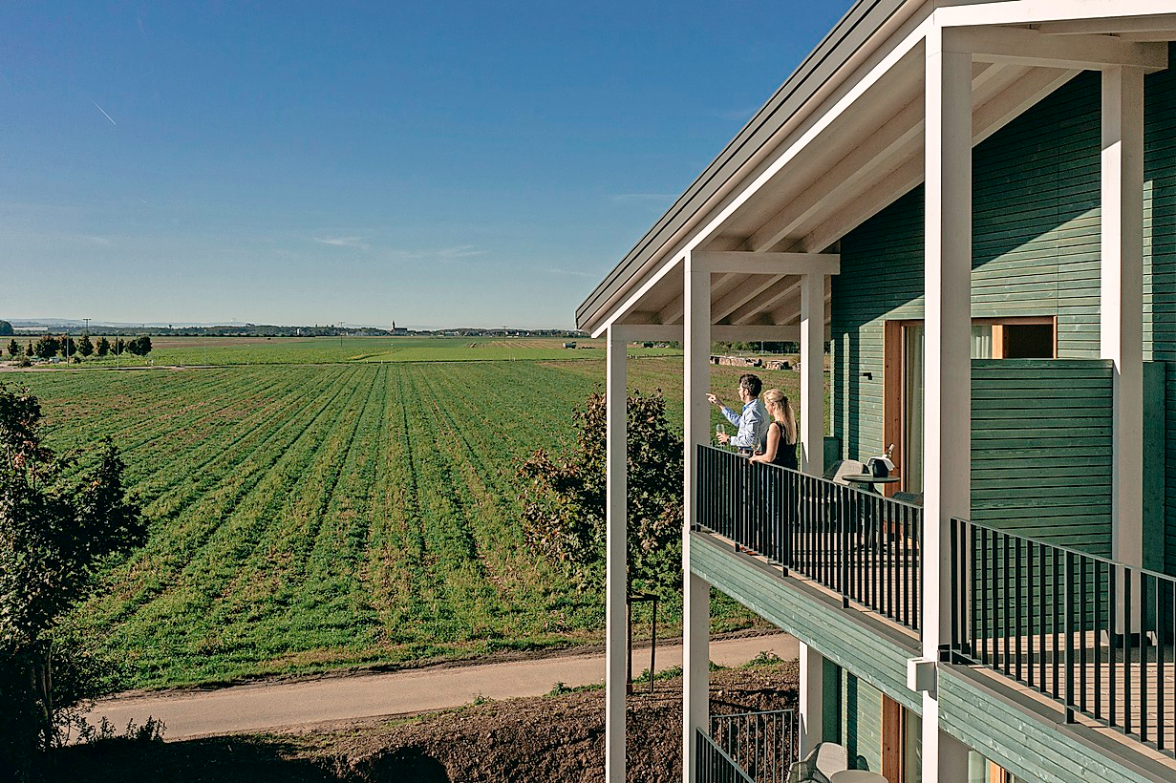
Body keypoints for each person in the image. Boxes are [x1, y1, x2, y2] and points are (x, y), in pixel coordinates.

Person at [707, 373, 767, 455]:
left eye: (740, 389)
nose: (738, 392)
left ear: (746, 392)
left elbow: (749, 441)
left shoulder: (753, 411)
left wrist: (728, 439)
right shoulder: (756, 406)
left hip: (749, 456)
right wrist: (720, 404)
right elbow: (740, 422)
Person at [750, 389, 798, 470]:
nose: (765, 407)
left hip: (776, 474)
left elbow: (770, 457)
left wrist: (755, 458)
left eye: (766, 404)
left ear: (773, 405)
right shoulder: (792, 424)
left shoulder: (775, 427)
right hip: (790, 472)